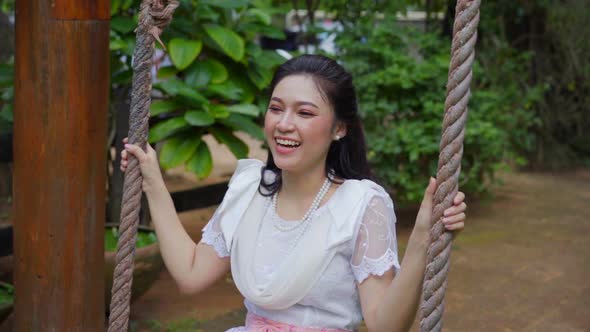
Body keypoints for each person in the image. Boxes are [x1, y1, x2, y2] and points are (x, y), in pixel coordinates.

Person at [121, 54, 467, 332]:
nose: (284, 124)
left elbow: (384, 325)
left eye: (304, 112)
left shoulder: (361, 204)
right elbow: (191, 274)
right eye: (276, 108)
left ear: (339, 128)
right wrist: (151, 179)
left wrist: (423, 237)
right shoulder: (249, 189)